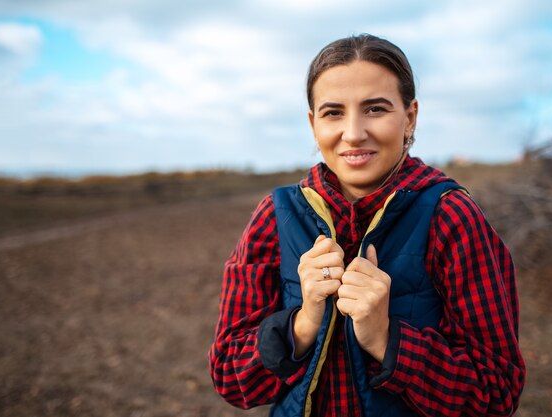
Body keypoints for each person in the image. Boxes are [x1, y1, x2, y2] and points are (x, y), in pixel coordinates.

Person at [209, 34, 525, 417]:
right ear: (313, 124)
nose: (354, 132)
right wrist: (304, 324)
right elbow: (230, 377)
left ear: (409, 117)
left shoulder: (452, 215)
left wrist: (386, 338)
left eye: (375, 109)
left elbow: (496, 394)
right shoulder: (276, 216)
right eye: (333, 112)